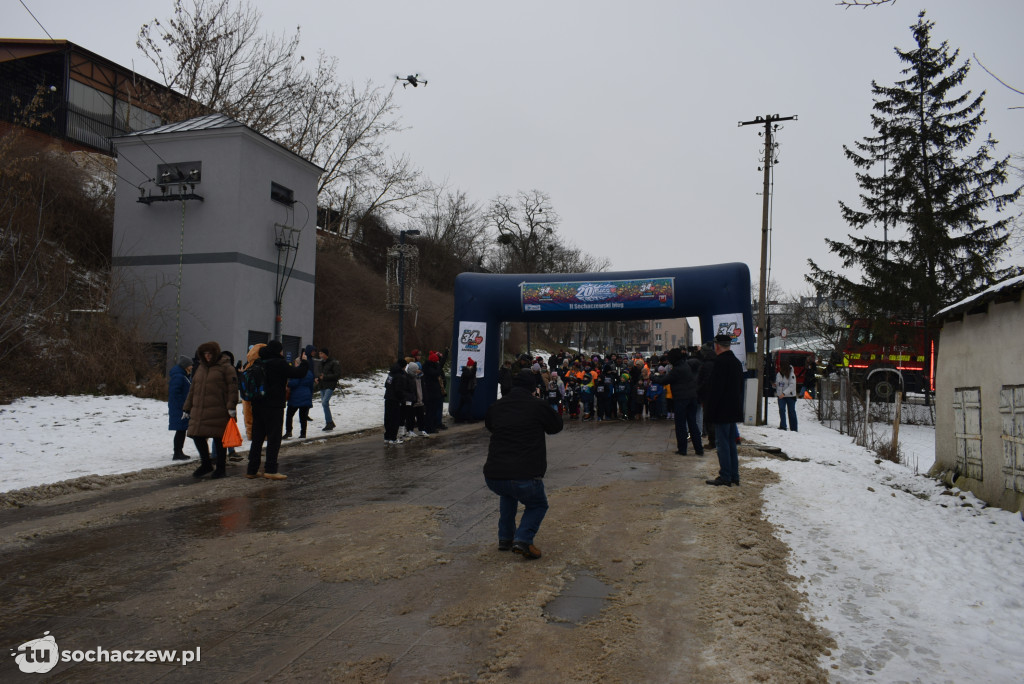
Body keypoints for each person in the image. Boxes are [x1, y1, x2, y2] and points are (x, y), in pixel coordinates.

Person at [484, 369, 564, 559]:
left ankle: (505, 538)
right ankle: (523, 539)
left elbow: (490, 425)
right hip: (525, 472)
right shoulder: (537, 405)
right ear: (533, 388)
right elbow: (556, 426)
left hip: (494, 474)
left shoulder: (497, 406)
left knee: (508, 494)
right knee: (537, 505)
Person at [247, 340, 309, 481]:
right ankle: (270, 469)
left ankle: (252, 469)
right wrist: (304, 362)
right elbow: (298, 373)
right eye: (281, 350)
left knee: (257, 438)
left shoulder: (259, 362)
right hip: (274, 406)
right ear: (277, 351)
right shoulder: (279, 363)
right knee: (274, 438)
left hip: (257, 405)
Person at [182, 341, 238, 479]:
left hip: (219, 409)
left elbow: (233, 389)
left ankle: (220, 468)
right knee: (196, 435)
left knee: (219, 440)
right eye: (205, 354)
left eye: (210, 354)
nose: (207, 357)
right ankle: (206, 463)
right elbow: (193, 389)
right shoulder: (200, 368)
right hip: (200, 410)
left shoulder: (226, 367)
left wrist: (231, 407)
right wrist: (187, 407)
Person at [706, 334, 745, 487]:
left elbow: (715, 390)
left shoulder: (719, 363)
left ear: (717, 345)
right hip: (733, 409)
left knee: (722, 444)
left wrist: (710, 410)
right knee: (730, 444)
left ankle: (725, 476)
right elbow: (740, 386)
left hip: (721, 410)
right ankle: (734, 476)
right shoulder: (736, 362)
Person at [655, 348, 703, 456]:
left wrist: (652, 377)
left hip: (681, 399)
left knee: (680, 425)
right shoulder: (686, 365)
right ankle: (699, 449)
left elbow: (664, 380)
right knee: (693, 423)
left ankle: (682, 449)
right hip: (692, 397)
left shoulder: (677, 369)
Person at [285, 350, 315, 439]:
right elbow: (311, 386)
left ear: (298, 363)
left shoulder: (297, 372)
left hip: (296, 397)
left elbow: (294, 383)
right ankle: (303, 433)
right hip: (306, 396)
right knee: (303, 417)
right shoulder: (310, 373)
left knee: (289, 415)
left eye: (295, 363)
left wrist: (288, 384)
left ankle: (288, 431)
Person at [168, 355, 193, 460]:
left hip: (181, 407)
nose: (192, 367)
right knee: (181, 430)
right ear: (185, 366)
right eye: (190, 365)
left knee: (181, 430)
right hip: (179, 408)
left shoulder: (183, 376)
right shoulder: (179, 376)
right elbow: (175, 393)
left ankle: (178, 451)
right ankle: (177, 452)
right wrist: (183, 406)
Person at [382, 359, 407, 444]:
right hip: (395, 400)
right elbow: (399, 390)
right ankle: (393, 438)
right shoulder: (400, 375)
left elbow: (386, 384)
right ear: (403, 366)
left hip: (388, 398)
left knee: (388, 418)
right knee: (395, 419)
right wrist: (403, 398)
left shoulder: (391, 373)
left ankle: (387, 436)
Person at [318, 348, 341, 431]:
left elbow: (337, 374)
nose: (320, 355)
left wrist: (325, 377)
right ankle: (330, 423)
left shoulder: (333, 362)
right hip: (322, 385)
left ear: (325, 354)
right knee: (325, 404)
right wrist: (318, 378)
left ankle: (329, 422)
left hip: (330, 385)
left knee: (324, 403)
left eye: (321, 353)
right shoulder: (321, 363)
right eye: (319, 353)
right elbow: (320, 374)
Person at [775, 359, 799, 431]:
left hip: (790, 396)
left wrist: (784, 393)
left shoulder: (791, 375)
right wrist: (775, 386)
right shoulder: (779, 374)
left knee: (791, 412)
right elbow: (779, 384)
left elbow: (792, 386)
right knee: (781, 410)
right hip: (781, 396)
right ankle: (783, 425)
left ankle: (794, 428)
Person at [457, 357, 477, 422]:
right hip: (465, 391)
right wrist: (474, 367)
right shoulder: (466, 371)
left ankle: (457, 418)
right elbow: (471, 375)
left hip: (464, 391)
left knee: (461, 405)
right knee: (469, 404)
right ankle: (469, 418)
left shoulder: (466, 371)